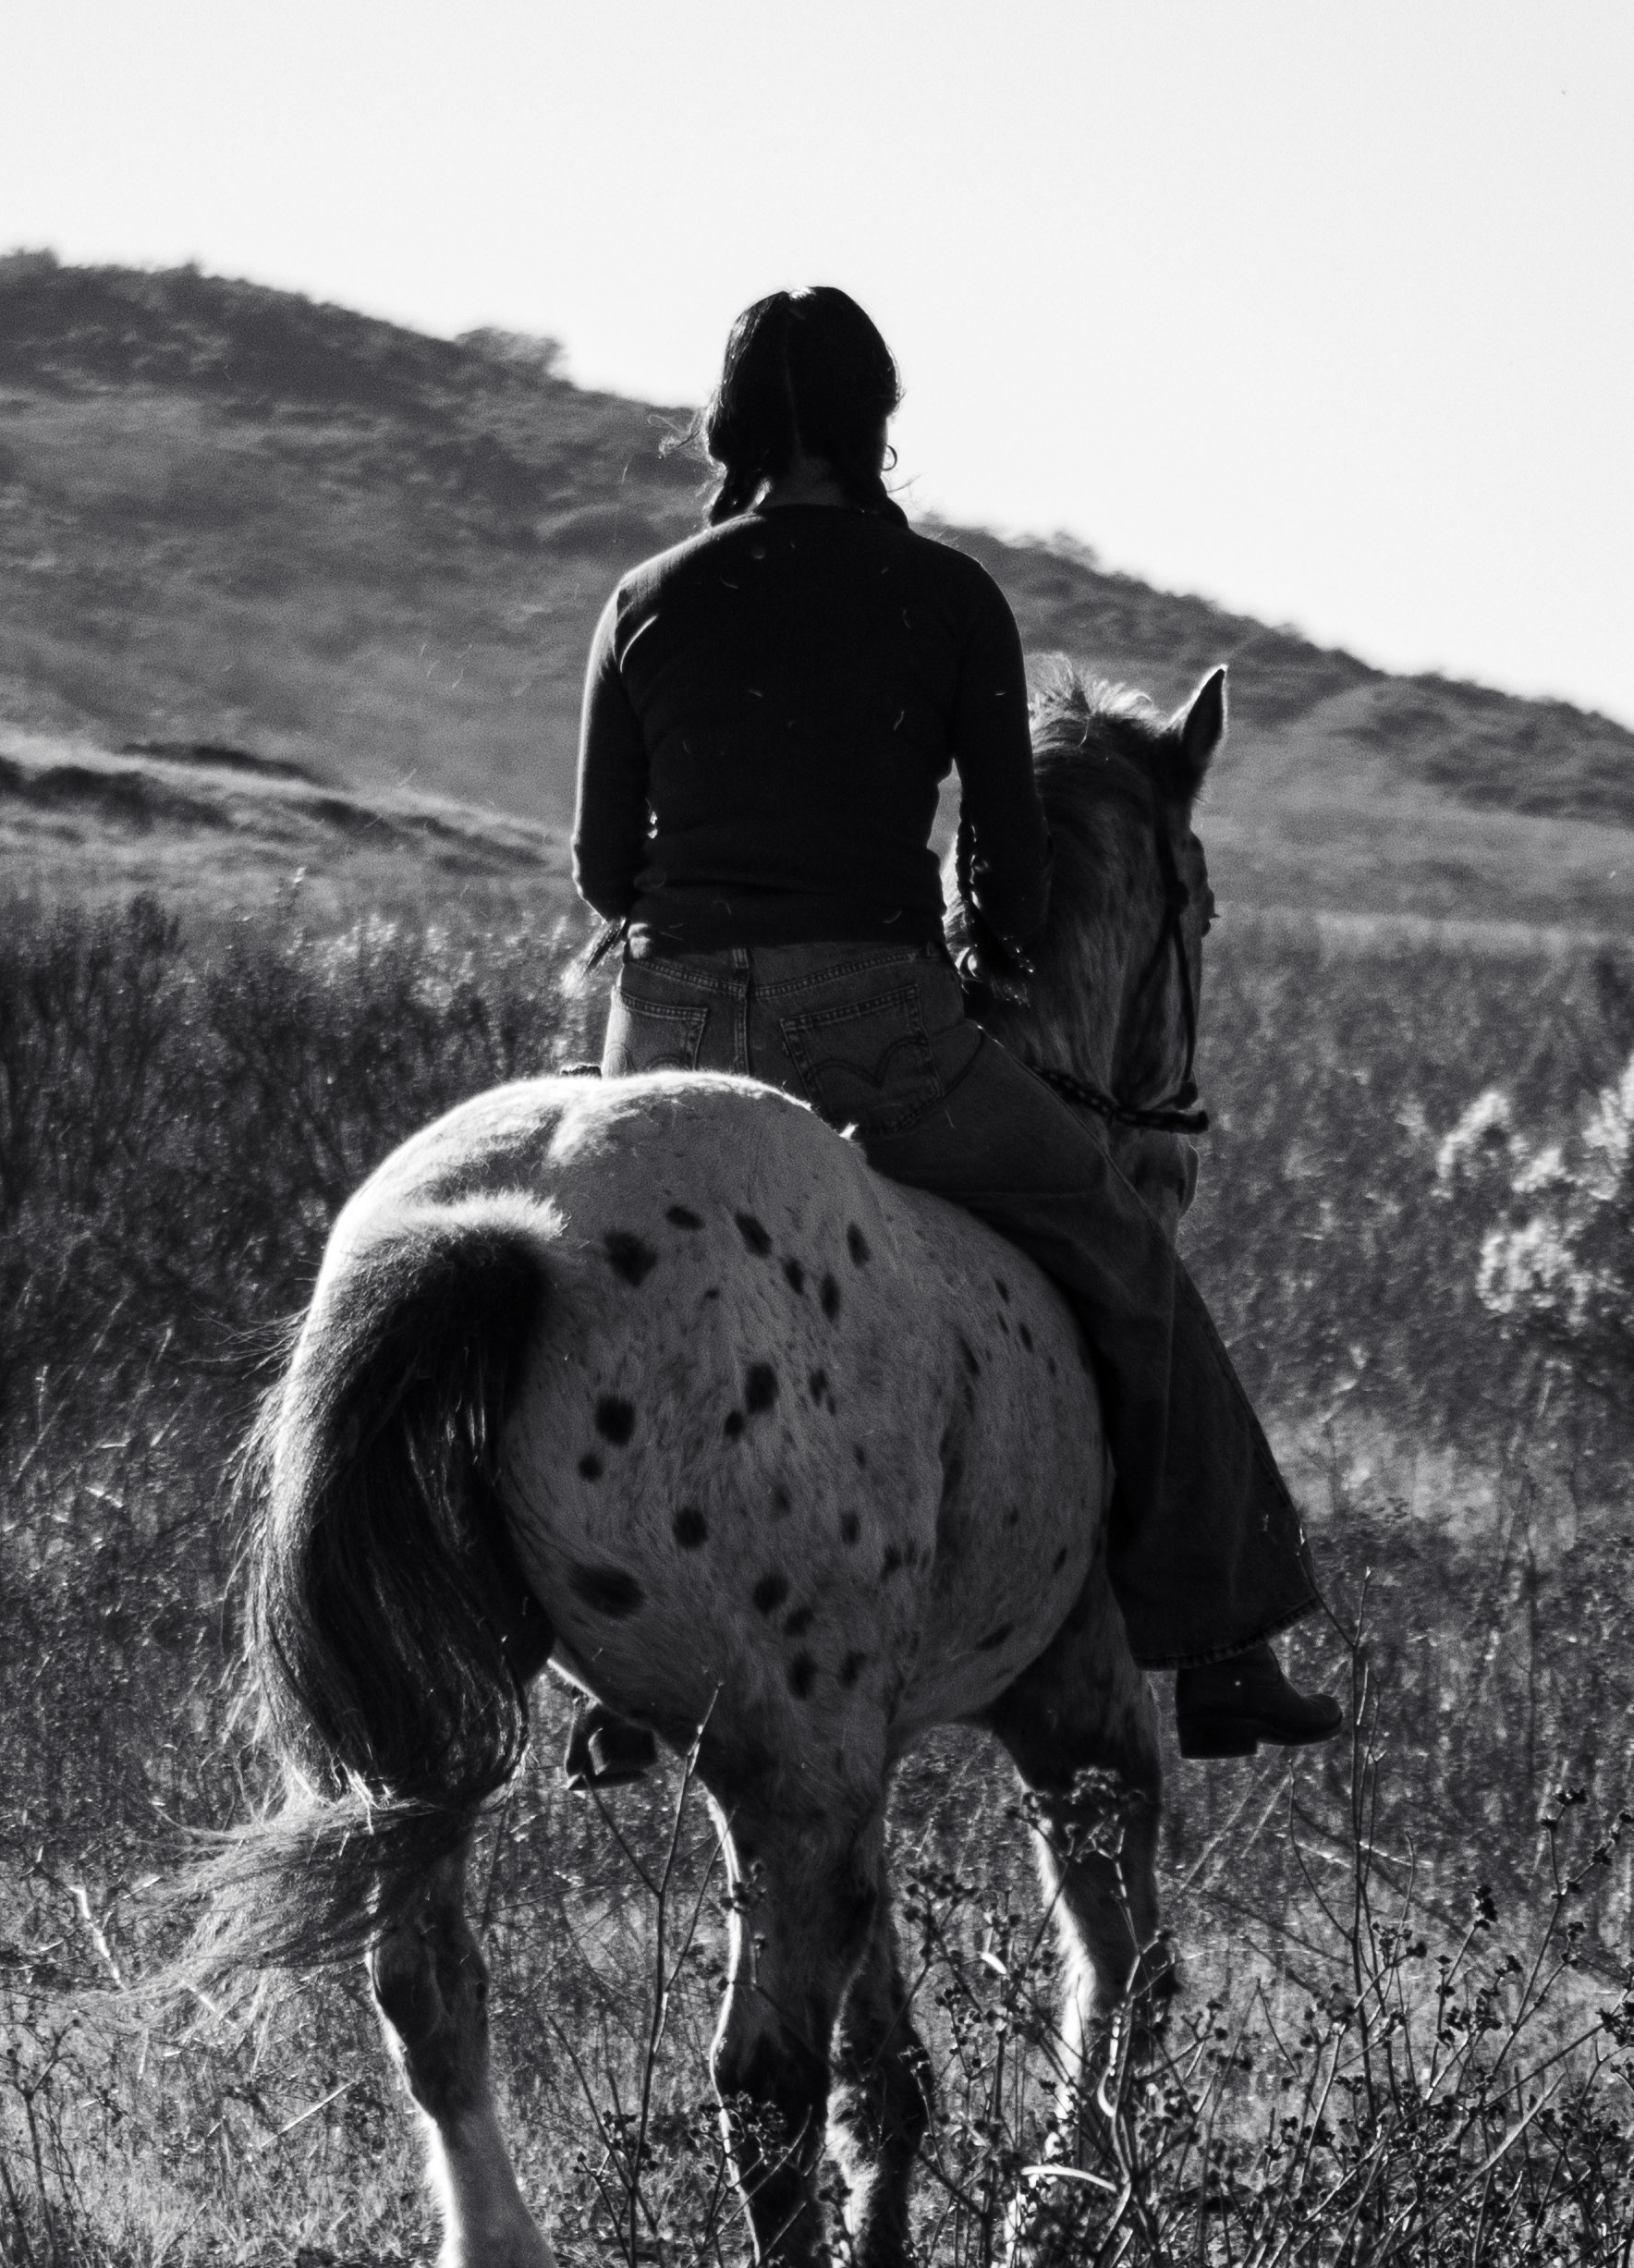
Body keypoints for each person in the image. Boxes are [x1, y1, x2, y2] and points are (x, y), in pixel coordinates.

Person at [565, 286, 1349, 1762]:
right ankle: (1227, 1645)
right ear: (880, 423)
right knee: (1121, 1250)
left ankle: (593, 1664)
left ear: (730, 426)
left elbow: (607, 872)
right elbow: (1010, 868)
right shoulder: (946, 600)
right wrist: (976, 964)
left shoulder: (646, 597)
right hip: (871, 1030)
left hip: (656, 1031)